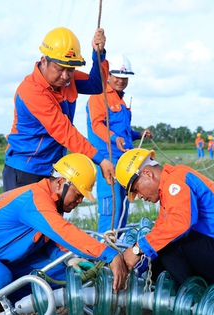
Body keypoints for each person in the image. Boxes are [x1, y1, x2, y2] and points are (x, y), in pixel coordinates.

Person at [0, 153, 128, 315]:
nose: (80, 200)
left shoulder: (50, 205)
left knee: (63, 274)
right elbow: (64, 232)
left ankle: (1, 303)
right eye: (78, 193)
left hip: (9, 261)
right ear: (60, 183)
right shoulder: (34, 198)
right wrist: (109, 254)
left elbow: (50, 243)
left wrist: (70, 259)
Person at [116, 148, 214, 291]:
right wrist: (137, 264)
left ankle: (196, 300)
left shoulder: (176, 181)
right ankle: (207, 291)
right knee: (156, 264)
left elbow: (180, 224)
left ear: (147, 173)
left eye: (136, 189)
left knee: (170, 244)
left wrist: (138, 249)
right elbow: (160, 231)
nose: (140, 196)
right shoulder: (168, 192)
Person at [2, 26, 115, 192]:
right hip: (25, 169)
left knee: (52, 217)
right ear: (44, 61)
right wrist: (101, 159)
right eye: (60, 69)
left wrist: (99, 54)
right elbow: (64, 131)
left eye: (71, 70)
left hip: (51, 168)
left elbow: (96, 85)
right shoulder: (31, 91)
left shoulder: (67, 80)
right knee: (29, 218)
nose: (65, 76)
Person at [86, 53, 152, 233]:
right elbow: (97, 125)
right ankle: (104, 247)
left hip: (125, 161)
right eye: (117, 76)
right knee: (111, 204)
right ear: (108, 75)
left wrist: (139, 134)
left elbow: (124, 132)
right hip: (108, 159)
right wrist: (115, 138)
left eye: (125, 77)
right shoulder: (99, 96)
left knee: (124, 203)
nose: (121, 80)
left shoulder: (120, 100)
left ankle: (119, 246)